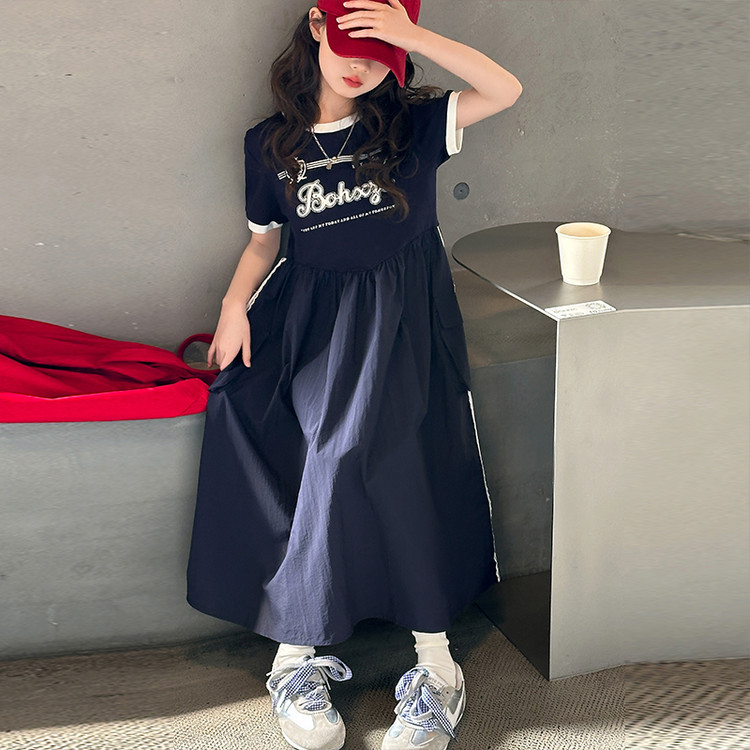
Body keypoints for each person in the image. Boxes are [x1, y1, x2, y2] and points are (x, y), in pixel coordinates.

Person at [185, 1, 522, 748]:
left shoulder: (415, 126)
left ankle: (437, 667)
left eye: (382, 53)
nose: (362, 64)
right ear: (315, 28)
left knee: (399, 468)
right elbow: (263, 241)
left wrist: (410, 36)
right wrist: (234, 306)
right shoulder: (269, 143)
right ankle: (294, 657)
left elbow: (504, 90)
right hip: (307, 325)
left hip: (400, 326)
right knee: (308, 467)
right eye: (349, 43)